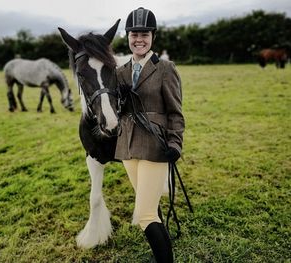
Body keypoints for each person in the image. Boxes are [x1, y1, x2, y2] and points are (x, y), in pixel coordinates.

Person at [115, 7, 184, 263]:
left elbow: (176, 112)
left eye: (144, 34)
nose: (139, 39)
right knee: (150, 209)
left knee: (144, 215)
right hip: (128, 148)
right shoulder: (120, 71)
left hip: (155, 146)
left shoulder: (165, 68)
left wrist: (175, 143)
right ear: (128, 37)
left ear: (152, 36)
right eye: (134, 34)